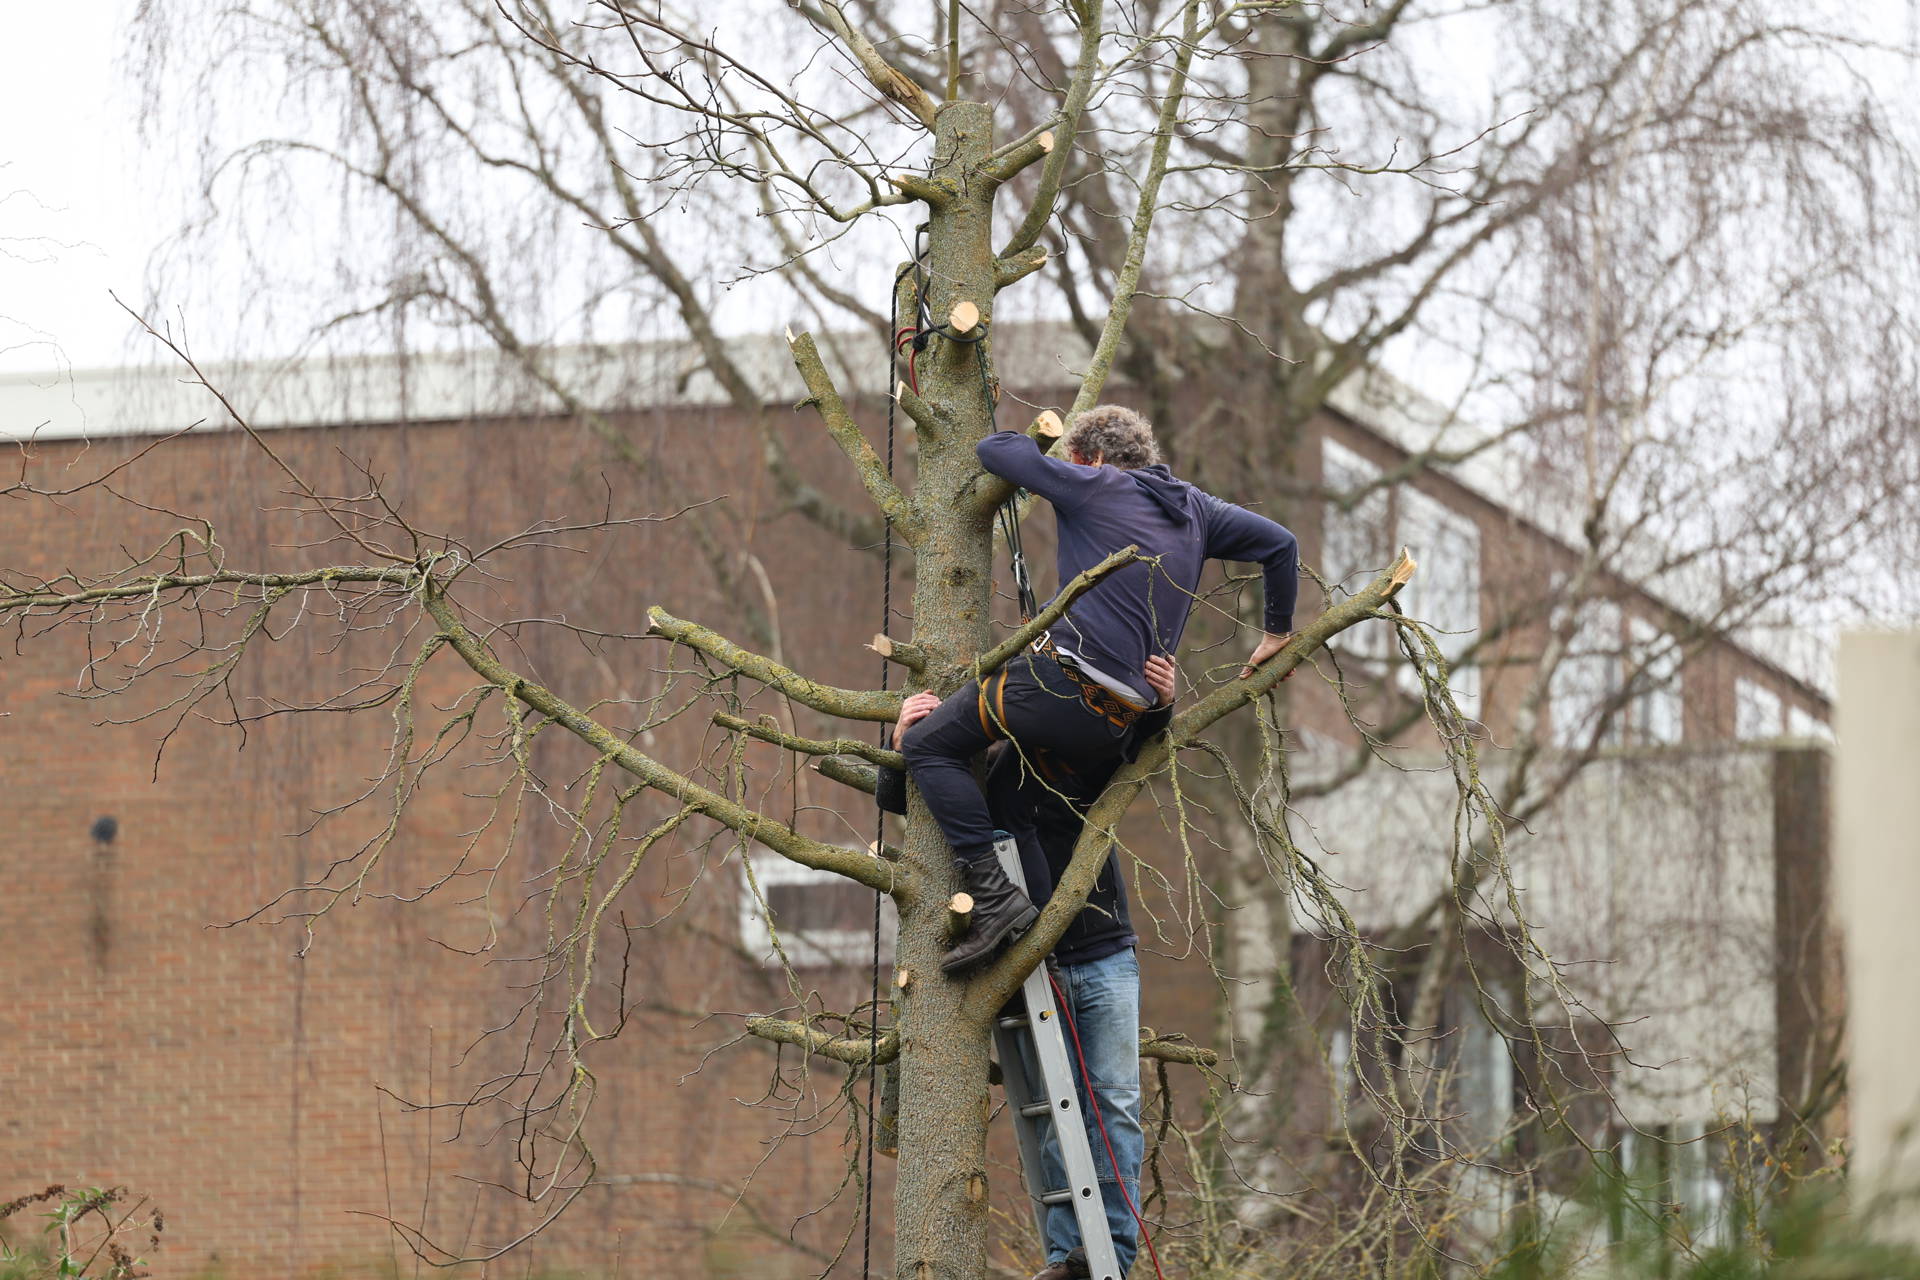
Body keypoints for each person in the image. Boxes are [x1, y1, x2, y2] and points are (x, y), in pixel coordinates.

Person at [900, 404, 1300, 977]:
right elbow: (1281, 544)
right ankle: (1038, 943)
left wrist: (1045, 450)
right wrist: (1278, 631)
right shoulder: (1196, 509)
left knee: (927, 746)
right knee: (1015, 801)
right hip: (1120, 720)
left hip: (1062, 687)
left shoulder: (1094, 482)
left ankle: (991, 896)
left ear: (1089, 458)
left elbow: (996, 452)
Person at [882, 652, 1176, 1280]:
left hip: (1103, 954)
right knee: (1056, 1111)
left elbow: (1139, 740)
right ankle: (1066, 1258)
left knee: (1115, 1104)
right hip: (1030, 964)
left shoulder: (1070, 746)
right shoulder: (973, 771)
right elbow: (907, 798)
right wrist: (905, 741)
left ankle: (1110, 1259)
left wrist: (1163, 702)